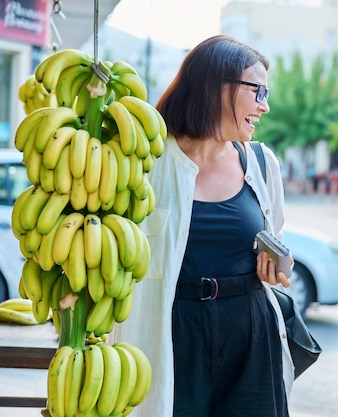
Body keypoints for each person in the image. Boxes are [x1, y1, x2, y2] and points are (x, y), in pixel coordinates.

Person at [111, 35, 294, 417]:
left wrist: (279, 265)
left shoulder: (261, 163)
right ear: (217, 85)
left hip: (250, 333)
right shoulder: (148, 161)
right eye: (257, 90)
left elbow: (275, 236)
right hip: (173, 330)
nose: (266, 105)